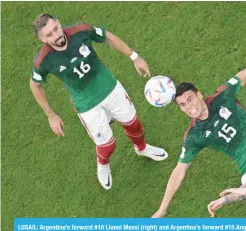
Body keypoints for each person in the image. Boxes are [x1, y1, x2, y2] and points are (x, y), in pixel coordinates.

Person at [29, 13, 168, 190]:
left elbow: (107, 36)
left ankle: (142, 148)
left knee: (134, 124)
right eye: (49, 35)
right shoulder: (43, 61)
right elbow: (35, 85)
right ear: (43, 40)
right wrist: (50, 115)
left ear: (59, 23)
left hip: (110, 89)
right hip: (87, 105)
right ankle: (102, 165)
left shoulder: (81, 31)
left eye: (56, 28)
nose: (56, 36)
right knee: (108, 145)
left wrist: (134, 56)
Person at [152, 60, 246, 218]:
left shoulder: (222, 97)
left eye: (190, 99)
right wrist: (162, 209)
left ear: (199, 94)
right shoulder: (194, 135)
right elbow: (179, 170)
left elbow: (243, 75)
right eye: (182, 105)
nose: (188, 107)